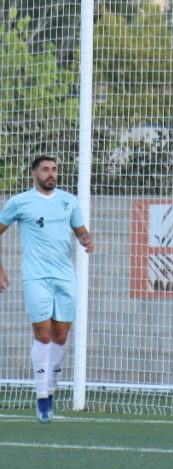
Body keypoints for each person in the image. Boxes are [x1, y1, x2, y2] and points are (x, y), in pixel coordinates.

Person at [0, 155, 94, 423]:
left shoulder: (69, 201)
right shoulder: (19, 202)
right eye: (45, 170)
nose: (51, 174)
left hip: (64, 277)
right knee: (42, 336)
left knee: (61, 337)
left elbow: (80, 231)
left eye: (54, 169)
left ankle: (50, 391)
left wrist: (86, 240)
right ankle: (41, 398)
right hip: (36, 277)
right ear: (34, 174)